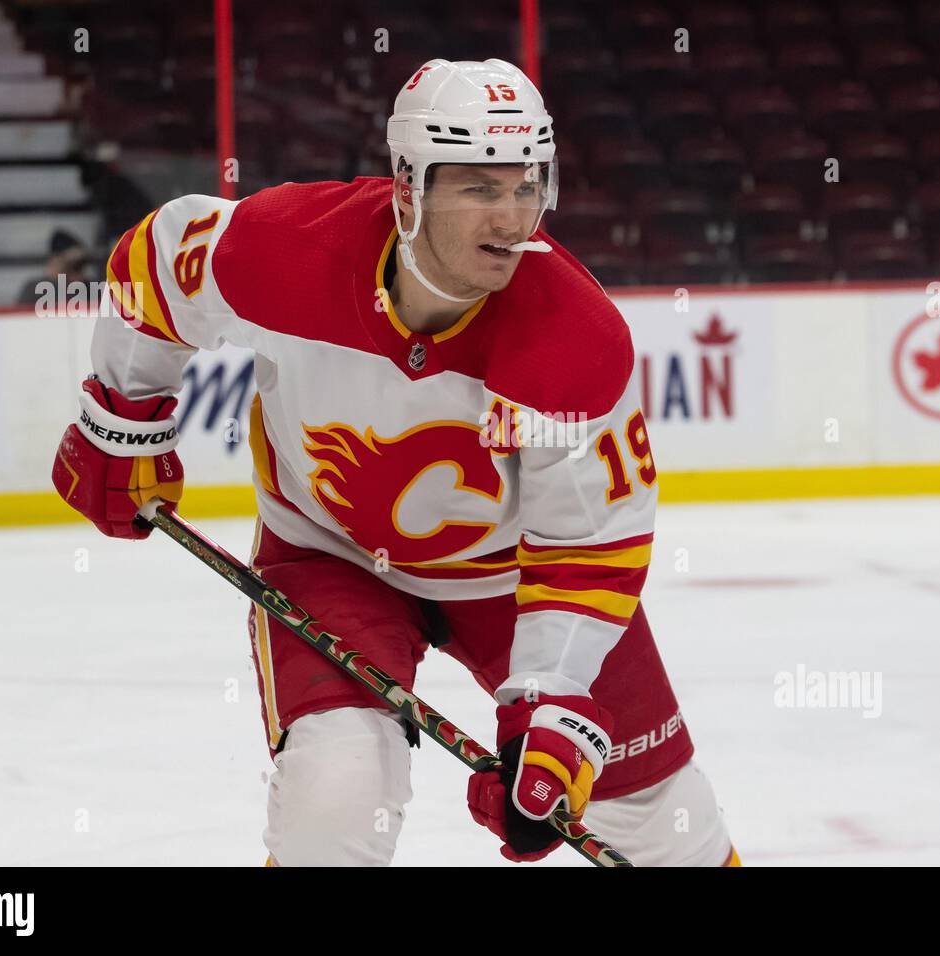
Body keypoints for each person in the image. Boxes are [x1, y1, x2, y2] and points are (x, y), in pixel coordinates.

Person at [51, 58, 738, 866]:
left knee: (666, 826)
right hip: (329, 557)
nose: (514, 218)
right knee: (335, 797)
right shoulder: (287, 249)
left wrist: (550, 713)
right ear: (408, 185)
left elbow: (587, 550)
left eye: (528, 186)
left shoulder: (573, 339)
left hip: (512, 582)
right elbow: (159, 264)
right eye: (480, 187)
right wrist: (127, 418)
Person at [16, 229, 89, 306]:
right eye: (73, 267)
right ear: (54, 262)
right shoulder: (34, 290)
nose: (78, 274)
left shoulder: (88, 288)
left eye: (80, 267)